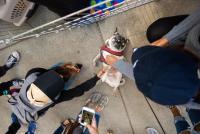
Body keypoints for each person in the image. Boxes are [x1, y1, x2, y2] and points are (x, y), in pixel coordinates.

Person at [104, 7, 200, 107]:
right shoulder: (194, 36)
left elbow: (158, 81)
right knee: (155, 32)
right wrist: (165, 40)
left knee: (155, 33)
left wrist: (119, 64)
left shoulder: (184, 94)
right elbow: (151, 79)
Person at [5, 63, 105, 134]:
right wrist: (96, 78)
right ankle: (68, 68)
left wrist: (96, 78)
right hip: (17, 107)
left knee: (80, 125)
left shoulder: (32, 75)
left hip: (27, 116)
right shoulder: (32, 74)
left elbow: (77, 91)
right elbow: (47, 72)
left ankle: (89, 107)